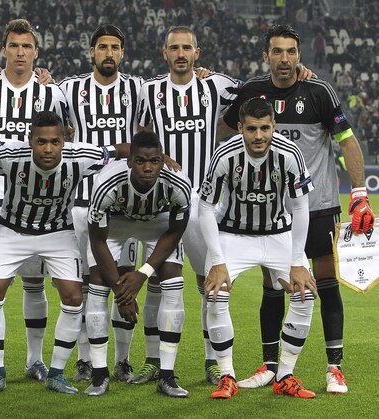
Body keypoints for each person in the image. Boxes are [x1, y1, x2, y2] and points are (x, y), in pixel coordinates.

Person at [222, 24, 374, 394]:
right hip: (273, 213)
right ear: (266, 56)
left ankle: (333, 367)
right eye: (277, 51)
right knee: (274, 287)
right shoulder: (253, 92)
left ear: (299, 55)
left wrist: (359, 193)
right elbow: (223, 132)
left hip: (318, 204)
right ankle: (270, 367)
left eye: (291, 51)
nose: (284, 59)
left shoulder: (319, 91)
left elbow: (347, 141)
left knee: (323, 282)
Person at [0, 111, 128, 395]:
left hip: (58, 233)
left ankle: (57, 373)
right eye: (41, 142)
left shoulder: (81, 156)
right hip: (12, 231)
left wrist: (163, 156)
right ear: (30, 141)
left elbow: (120, 149)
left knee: (74, 296)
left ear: (65, 140)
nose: (48, 149)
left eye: (55, 142)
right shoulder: (11, 155)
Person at [136, 26, 243, 385]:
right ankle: (155, 361)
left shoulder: (215, 85)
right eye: (174, 48)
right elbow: (129, 121)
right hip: (161, 202)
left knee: (208, 281)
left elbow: (257, 90)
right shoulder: (149, 90)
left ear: (197, 53)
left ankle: (213, 361)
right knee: (163, 281)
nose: (181, 53)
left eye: (187, 48)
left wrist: (302, 73)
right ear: (164, 53)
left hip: (203, 202)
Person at [0, 19, 68, 384]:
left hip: (35, 207)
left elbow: (68, 137)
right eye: (14, 46)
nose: (20, 52)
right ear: (4, 50)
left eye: (26, 47)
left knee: (34, 285)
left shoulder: (52, 94)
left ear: (36, 52)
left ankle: (34, 360)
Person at [200, 97, 317, 399]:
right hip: (233, 233)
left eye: (265, 128)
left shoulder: (290, 153)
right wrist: (216, 261)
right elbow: (205, 208)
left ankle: (285, 375)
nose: (259, 136)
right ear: (240, 127)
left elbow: (301, 207)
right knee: (215, 293)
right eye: (252, 129)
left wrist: (297, 261)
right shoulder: (224, 154)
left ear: (274, 126)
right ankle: (227, 376)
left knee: (304, 293)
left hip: (278, 232)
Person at [58, 23, 143, 384]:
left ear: (123, 53)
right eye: (102, 47)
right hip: (80, 201)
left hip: (126, 207)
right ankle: (85, 359)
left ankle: (122, 360)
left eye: (115, 48)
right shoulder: (67, 89)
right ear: (91, 51)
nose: (109, 53)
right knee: (83, 283)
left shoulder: (138, 88)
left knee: (122, 280)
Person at [86, 131, 191, 397]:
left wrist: (142, 274)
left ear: (162, 160)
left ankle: (167, 375)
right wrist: (122, 294)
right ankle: (99, 375)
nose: (148, 167)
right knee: (97, 281)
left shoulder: (178, 183)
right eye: (141, 161)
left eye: (154, 161)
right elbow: (98, 240)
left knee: (173, 279)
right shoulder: (107, 183)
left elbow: (176, 231)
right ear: (130, 161)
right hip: (117, 225)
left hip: (158, 224)